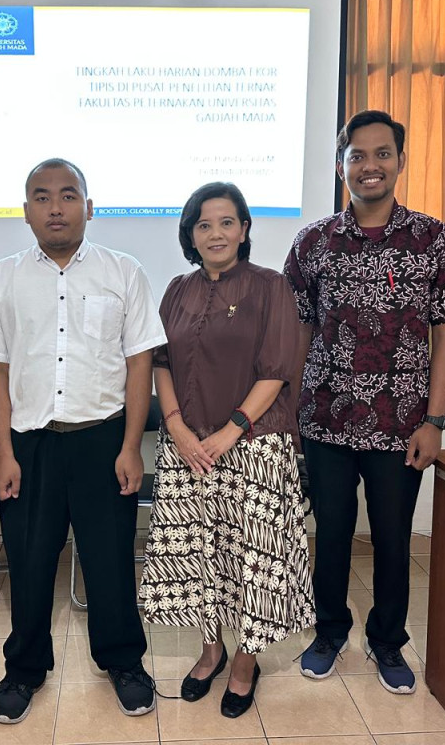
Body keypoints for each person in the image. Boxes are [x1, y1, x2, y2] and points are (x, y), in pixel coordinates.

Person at [284, 110, 445, 694]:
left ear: (400, 161)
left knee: (393, 539)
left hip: (402, 424)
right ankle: (329, 632)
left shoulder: (434, 239)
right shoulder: (313, 242)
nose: (369, 166)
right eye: (357, 156)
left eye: (381, 154)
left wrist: (435, 420)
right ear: (340, 165)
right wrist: (292, 414)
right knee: (331, 535)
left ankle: (388, 640)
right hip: (325, 420)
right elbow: (299, 330)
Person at [0, 158, 167, 724]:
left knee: (110, 561)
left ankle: (123, 662)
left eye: (67, 195)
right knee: (30, 562)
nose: (55, 207)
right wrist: (3, 453)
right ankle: (24, 668)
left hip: (103, 441)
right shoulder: (2, 278)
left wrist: (130, 447)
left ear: (89, 205)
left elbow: (139, 364)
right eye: (42, 196)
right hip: (29, 446)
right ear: (25, 210)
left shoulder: (123, 271)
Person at [138, 182, 315, 718]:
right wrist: (175, 426)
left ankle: (245, 661)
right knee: (201, 556)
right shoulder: (177, 290)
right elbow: (161, 364)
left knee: (254, 561)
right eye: (203, 224)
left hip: (254, 445)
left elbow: (277, 370)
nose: (215, 233)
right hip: (187, 447)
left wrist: (229, 431)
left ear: (244, 230)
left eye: (226, 222)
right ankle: (210, 649)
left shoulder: (270, 286)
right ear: (190, 235)